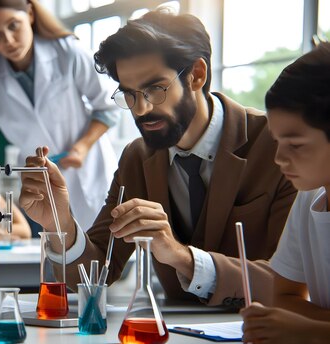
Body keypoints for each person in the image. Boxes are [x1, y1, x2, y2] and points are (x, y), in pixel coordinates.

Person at [20, 9, 296, 307]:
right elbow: (97, 272)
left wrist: (181, 257)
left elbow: (292, 283)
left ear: (197, 75)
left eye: (154, 89)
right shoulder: (137, 157)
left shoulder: (278, 145)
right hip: (173, 342)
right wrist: (60, 224)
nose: (141, 109)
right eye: (130, 94)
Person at [0, 0, 120, 229]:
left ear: (30, 13)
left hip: (91, 174)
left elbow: (108, 106)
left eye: (13, 26)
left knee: (103, 251)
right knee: (54, 256)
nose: (8, 41)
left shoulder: (67, 51)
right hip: (40, 187)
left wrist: (81, 147)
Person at [240, 43, 330, 344]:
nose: (278, 158)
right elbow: (285, 298)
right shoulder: (308, 198)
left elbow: (296, 314)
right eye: (277, 141)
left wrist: (315, 334)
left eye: (296, 144)